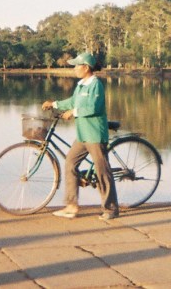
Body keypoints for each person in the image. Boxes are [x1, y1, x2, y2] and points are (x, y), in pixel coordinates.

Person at [41, 52, 119, 221]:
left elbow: (93, 108)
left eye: (77, 66)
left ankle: (111, 208)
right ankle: (71, 206)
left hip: (95, 134)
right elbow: (72, 102)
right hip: (83, 135)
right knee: (70, 163)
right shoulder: (81, 85)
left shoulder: (95, 85)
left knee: (102, 171)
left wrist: (73, 113)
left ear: (86, 67)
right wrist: (54, 104)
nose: (74, 69)